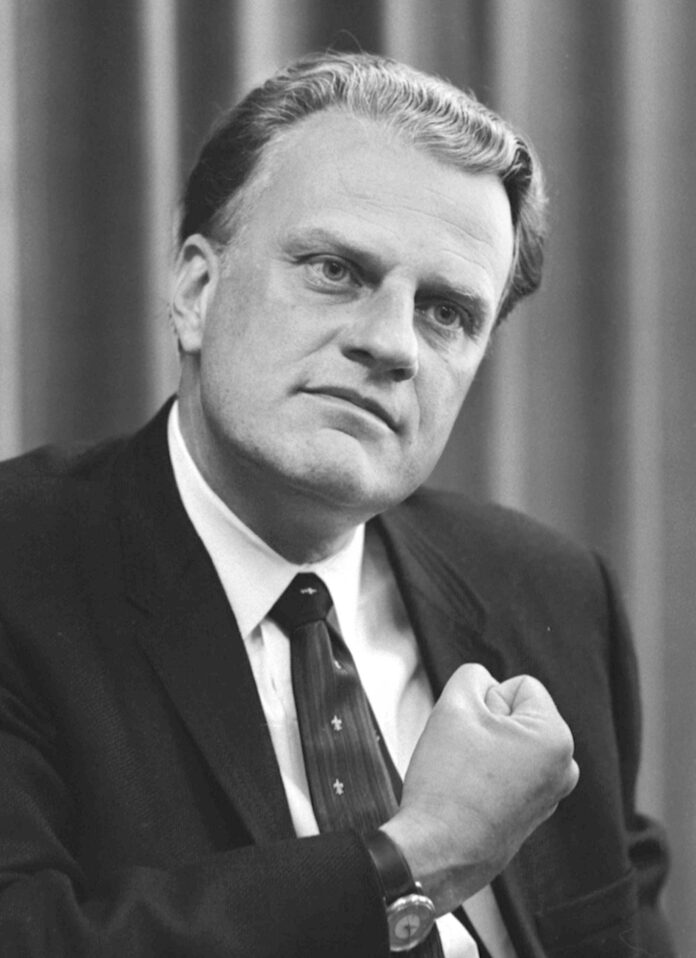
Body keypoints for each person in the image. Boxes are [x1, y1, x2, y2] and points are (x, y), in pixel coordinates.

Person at [0, 52, 674, 957]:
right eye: (334, 270)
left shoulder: (554, 592)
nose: (392, 345)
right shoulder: (20, 565)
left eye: (446, 313)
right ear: (196, 292)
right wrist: (415, 858)